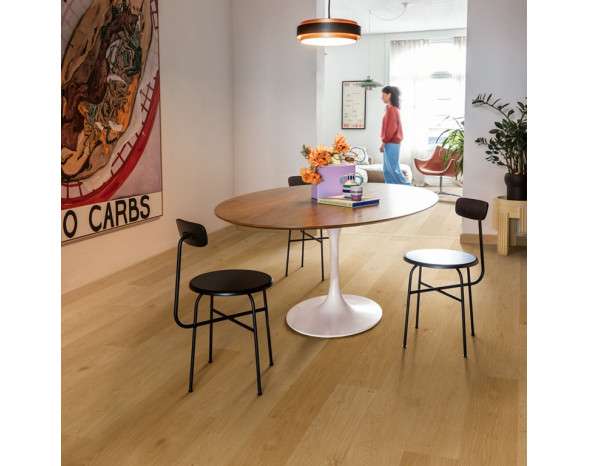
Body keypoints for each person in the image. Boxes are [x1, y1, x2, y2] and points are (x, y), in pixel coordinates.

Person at [380, 86, 410, 185]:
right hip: (391, 142)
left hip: (392, 142)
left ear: (389, 95)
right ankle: (390, 189)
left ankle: (408, 187)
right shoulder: (390, 109)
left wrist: (384, 142)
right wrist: (384, 142)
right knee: (388, 170)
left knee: (393, 170)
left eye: (383, 95)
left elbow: (391, 129)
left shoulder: (392, 110)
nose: (381, 97)